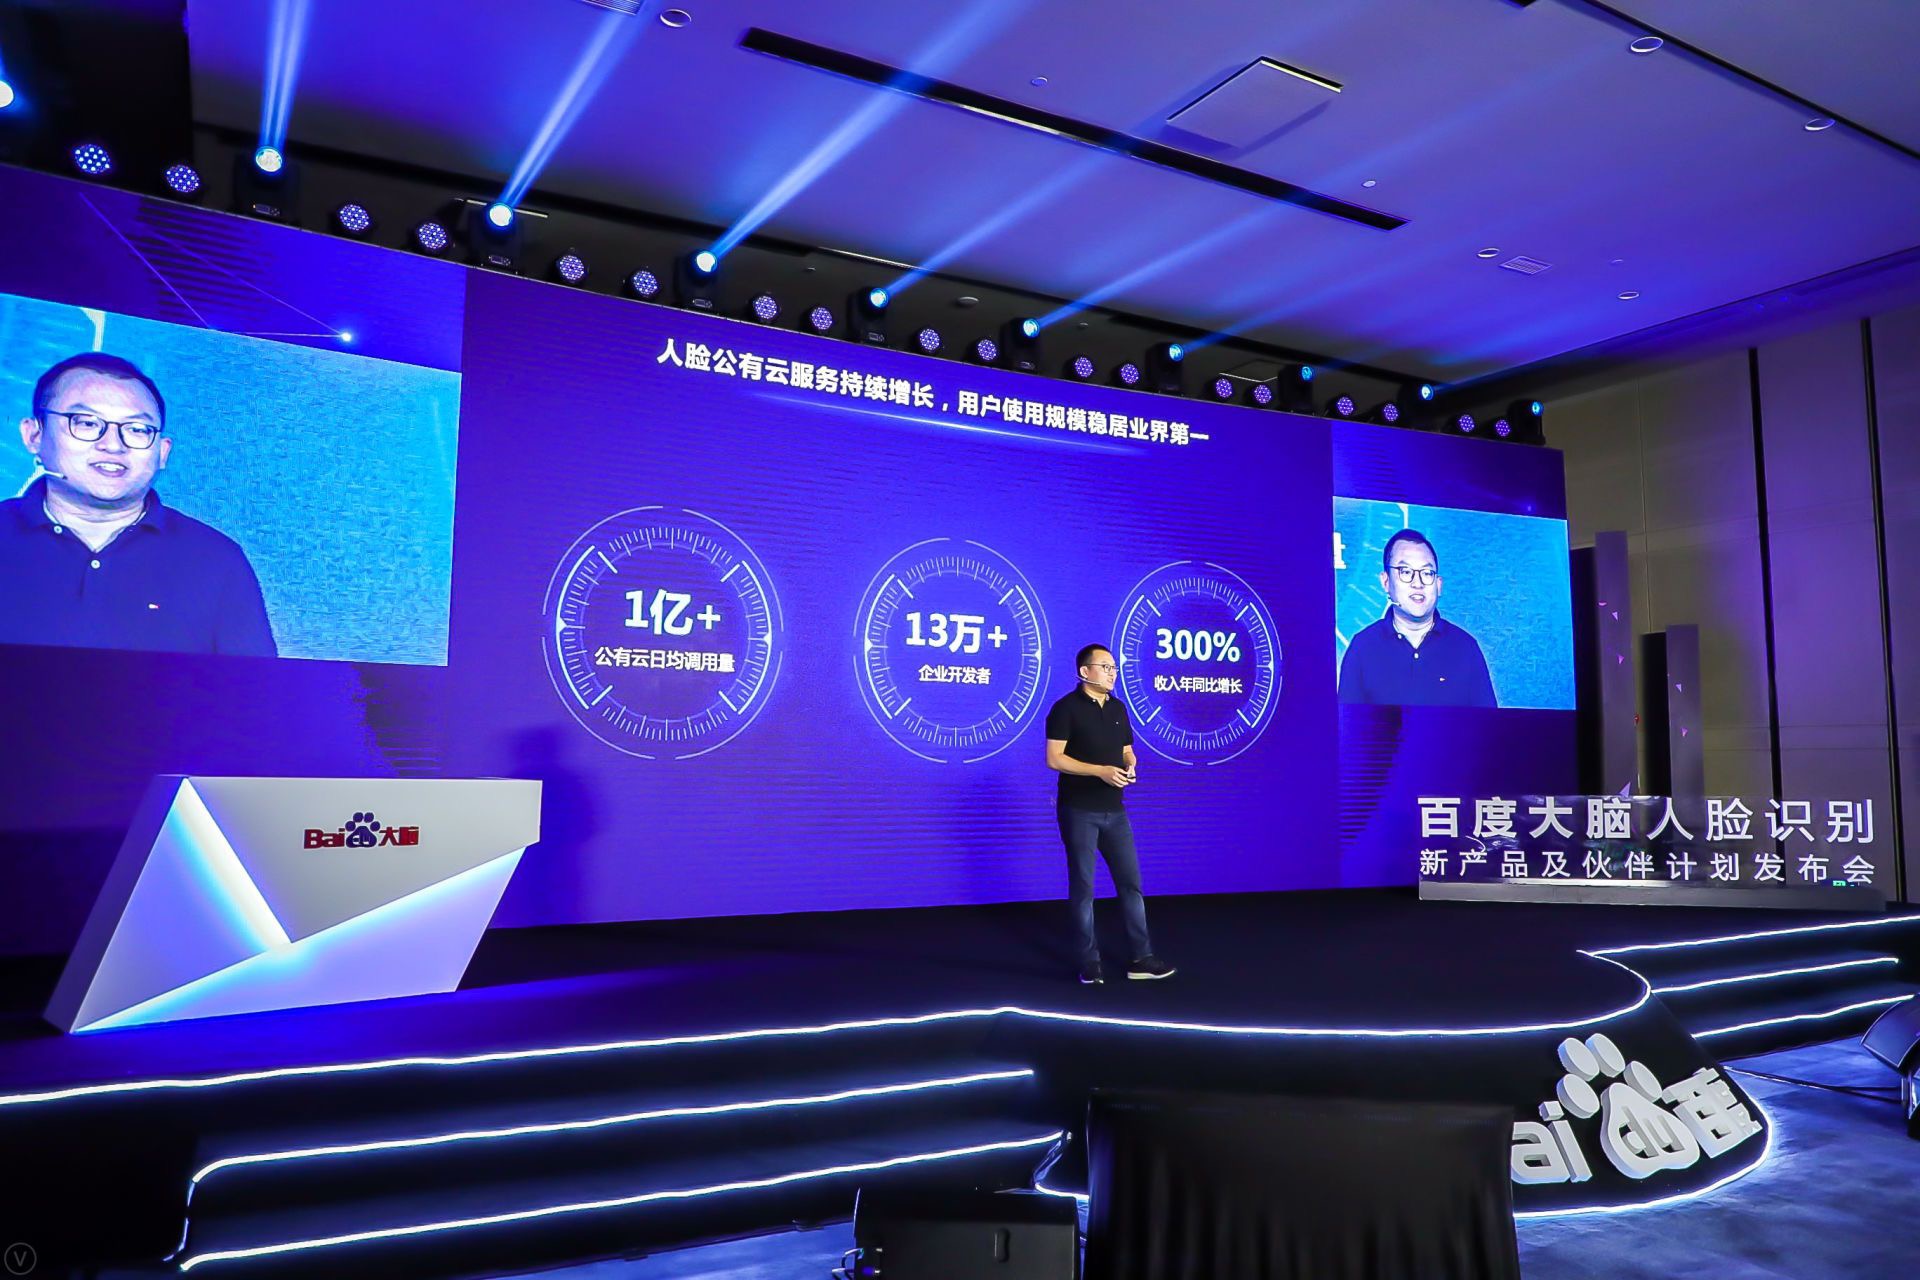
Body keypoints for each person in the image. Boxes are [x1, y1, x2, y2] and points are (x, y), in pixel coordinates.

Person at [0, 352, 276, 656]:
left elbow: (256, 683)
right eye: (87, 423)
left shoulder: (216, 559)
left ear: (162, 452)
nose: (112, 445)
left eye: (137, 429)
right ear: (34, 435)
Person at [1045, 643, 1175, 985]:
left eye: (1114, 667)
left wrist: (1131, 764)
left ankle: (1142, 958)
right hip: (1079, 811)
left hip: (1115, 811)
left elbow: (1126, 749)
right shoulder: (1065, 709)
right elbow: (1054, 758)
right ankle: (1090, 962)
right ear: (1084, 671)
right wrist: (1099, 771)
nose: (1112, 672)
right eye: (1105, 667)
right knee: (1084, 888)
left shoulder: (1118, 707)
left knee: (1131, 884)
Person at [1337, 528, 1493, 708]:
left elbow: (1490, 723)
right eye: (1405, 572)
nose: (1417, 583)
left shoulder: (1465, 647)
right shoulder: (1362, 647)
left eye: (1426, 573)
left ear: (1438, 585)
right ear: (1385, 582)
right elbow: (1345, 723)